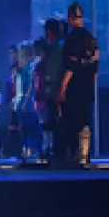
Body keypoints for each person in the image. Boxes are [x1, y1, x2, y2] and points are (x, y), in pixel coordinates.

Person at [58, 2, 98, 167]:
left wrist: (62, 88)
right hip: (87, 87)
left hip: (74, 88)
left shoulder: (72, 39)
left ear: (71, 17)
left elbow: (70, 66)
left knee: (71, 122)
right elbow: (95, 69)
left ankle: (75, 155)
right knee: (84, 120)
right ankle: (84, 155)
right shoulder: (91, 39)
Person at [40, 20, 64, 160]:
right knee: (51, 122)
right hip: (53, 90)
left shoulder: (57, 48)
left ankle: (58, 151)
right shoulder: (55, 47)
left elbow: (54, 71)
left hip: (56, 90)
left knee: (55, 122)